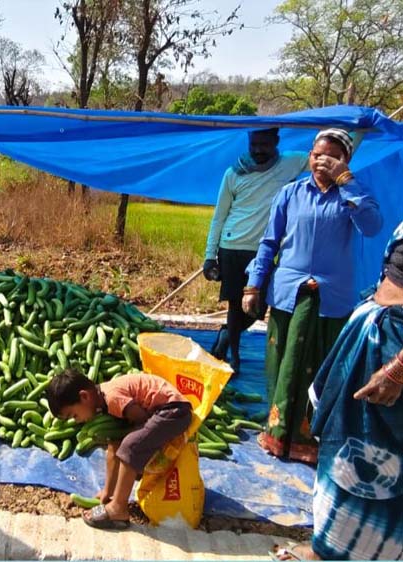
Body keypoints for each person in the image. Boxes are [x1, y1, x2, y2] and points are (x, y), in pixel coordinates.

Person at [243, 128, 382, 464]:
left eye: (331, 156)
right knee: (284, 368)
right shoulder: (290, 194)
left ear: (344, 161)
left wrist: (347, 182)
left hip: (331, 300)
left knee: (320, 370)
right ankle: (277, 436)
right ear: (309, 156)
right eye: (317, 154)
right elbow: (269, 243)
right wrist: (253, 285)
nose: (322, 160)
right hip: (289, 294)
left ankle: (311, 439)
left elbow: (373, 226)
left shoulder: (352, 197)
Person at [270, 221, 403, 561]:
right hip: (379, 332)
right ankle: (327, 548)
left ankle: (355, 552)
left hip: (392, 356)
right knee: (345, 453)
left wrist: (398, 367)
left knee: (374, 466)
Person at [203, 128, 309, 373]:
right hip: (231, 247)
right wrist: (210, 257)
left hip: (263, 250)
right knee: (234, 304)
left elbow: (330, 157)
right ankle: (234, 359)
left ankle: (226, 337)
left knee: (257, 308)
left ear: (276, 142)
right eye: (255, 145)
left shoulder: (290, 163)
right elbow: (219, 217)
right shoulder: (234, 173)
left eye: (265, 144)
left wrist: (357, 130)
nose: (259, 150)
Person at [46, 369, 192, 530]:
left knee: (130, 445)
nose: (76, 420)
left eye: (74, 415)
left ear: (84, 396)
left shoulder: (112, 398)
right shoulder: (102, 402)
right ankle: (112, 497)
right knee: (119, 445)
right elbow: (113, 449)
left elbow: (141, 418)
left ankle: (118, 508)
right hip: (166, 411)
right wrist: (107, 491)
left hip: (174, 410)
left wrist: (131, 444)